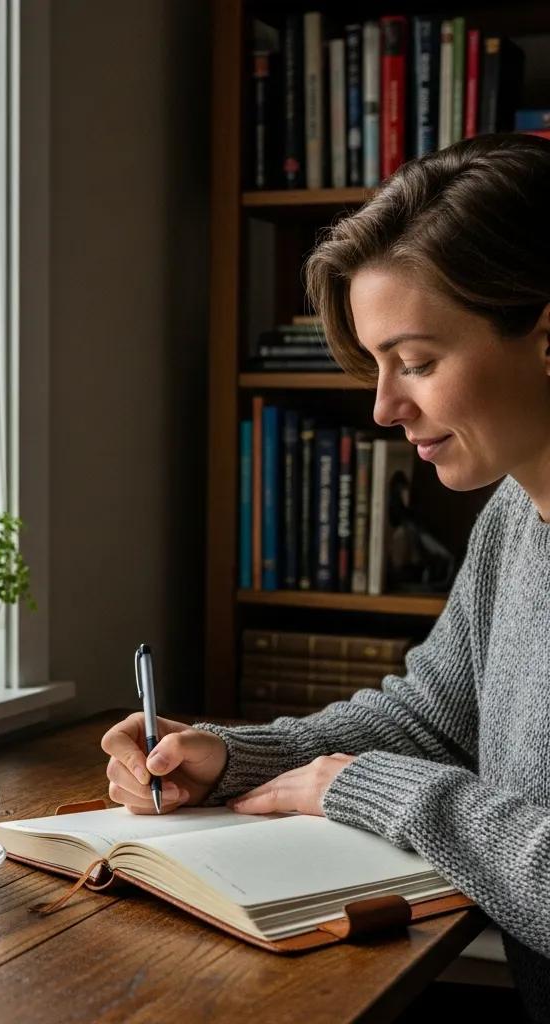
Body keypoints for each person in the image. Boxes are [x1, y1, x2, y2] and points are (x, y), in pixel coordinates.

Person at [101, 133, 550, 1023]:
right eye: (378, 365)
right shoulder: (513, 519)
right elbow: (433, 717)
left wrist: (364, 787)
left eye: (417, 362)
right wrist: (234, 757)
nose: (385, 408)